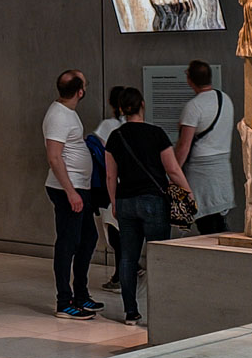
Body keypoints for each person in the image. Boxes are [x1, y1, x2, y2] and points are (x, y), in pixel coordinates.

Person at [103, 88, 193, 327]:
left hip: (125, 202)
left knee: (128, 259)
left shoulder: (115, 136)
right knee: (158, 258)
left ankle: (131, 312)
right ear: (142, 104)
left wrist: (114, 202)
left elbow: (110, 176)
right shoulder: (156, 134)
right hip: (153, 201)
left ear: (122, 109)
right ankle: (160, 311)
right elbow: (172, 170)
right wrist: (188, 193)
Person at [42, 69, 100, 320]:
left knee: (87, 239)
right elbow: (54, 157)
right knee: (68, 243)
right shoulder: (58, 116)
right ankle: (64, 301)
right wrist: (70, 192)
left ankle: (80, 294)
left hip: (78, 187)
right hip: (68, 188)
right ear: (80, 91)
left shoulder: (67, 113)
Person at [176, 60, 236, 235]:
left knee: (206, 224)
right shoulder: (225, 99)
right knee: (219, 220)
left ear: (190, 80)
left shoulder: (194, 106)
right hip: (223, 170)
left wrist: (174, 172)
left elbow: (184, 145)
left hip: (201, 173)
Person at [93, 87, 128, 292]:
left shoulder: (108, 126)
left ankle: (120, 276)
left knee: (115, 232)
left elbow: (102, 158)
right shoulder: (143, 127)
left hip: (115, 185)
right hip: (135, 187)